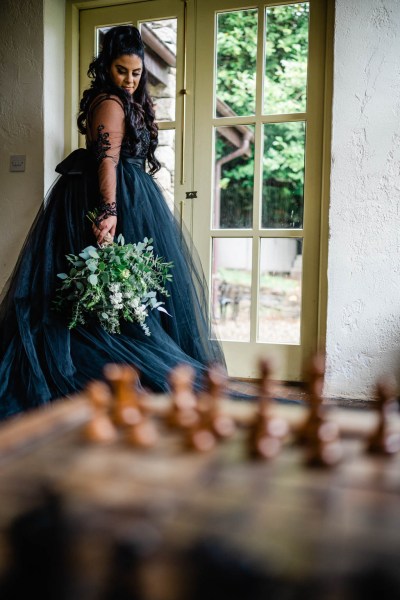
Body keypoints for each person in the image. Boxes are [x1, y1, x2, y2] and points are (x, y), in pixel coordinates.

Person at [0, 25, 224, 419]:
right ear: (106, 66)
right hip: (113, 199)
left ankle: (126, 371)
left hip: (132, 197)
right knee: (109, 296)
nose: (131, 79)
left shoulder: (126, 100)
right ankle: (114, 374)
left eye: (137, 73)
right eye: (123, 71)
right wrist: (109, 212)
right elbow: (107, 160)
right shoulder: (109, 102)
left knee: (129, 298)